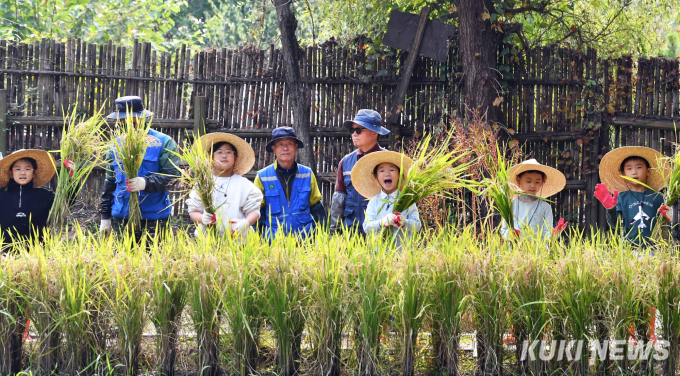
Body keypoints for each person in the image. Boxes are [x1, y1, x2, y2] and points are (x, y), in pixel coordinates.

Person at [99, 96, 180, 237]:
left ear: (142, 118)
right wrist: (105, 217)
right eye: (122, 119)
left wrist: (146, 182)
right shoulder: (115, 145)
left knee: (154, 259)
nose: (127, 123)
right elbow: (110, 182)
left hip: (154, 218)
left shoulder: (163, 142)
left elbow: (172, 177)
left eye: (132, 119)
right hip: (121, 217)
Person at [186, 133, 263, 238]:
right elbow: (193, 212)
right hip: (207, 242)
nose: (224, 156)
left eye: (228, 152)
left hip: (239, 241)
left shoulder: (245, 185)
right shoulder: (203, 184)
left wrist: (245, 223)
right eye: (219, 152)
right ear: (211, 157)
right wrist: (203, 219)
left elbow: (254, 212)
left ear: (235, 157)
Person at [254, 127, 326, 239]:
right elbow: (258, 213)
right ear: (273, 148)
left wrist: (323, 239)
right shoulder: (263, 176)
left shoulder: (307, 174)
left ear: (296, 147)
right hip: (273, 244)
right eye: (280, 144)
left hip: (306, 243)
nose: (285, 148)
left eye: (289, 143)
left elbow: (317, 209)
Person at [594, 146, 671, 245]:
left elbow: (664, 226)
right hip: (629, 248)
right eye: (629, 169)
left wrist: (667, 216)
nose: (634, 172)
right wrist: (611, 209)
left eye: (639, 167)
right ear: (623, 173)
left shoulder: (657, 197)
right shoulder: (622, 198)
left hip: (654, 248)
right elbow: (614, 225)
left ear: (648, 171)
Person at [330, 109, 390, 235]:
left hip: (381, 233)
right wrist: (334, 232)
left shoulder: (389, 161)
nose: (354, 134)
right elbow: (339, 201)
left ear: (374, 133)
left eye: (359, 130)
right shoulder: (345, 162)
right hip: (351, 233)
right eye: (352, 130)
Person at [350, 150, 421, 248]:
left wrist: (404, 222)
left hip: (403, 254)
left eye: (392, 170)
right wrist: (381, 222)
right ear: (376, 177)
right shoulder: (374, 201)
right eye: (382, 171)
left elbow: (417, 226)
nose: (387, 174)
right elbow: (367, 227)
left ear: (399, 175)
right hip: (379, 253)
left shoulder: (407, 200)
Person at [0, 149, 61, 248]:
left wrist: (71, 179)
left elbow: (66, 201)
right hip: (5, 255)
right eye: (18, 169)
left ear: (34, 173)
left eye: (28, 169)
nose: (23, 173)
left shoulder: (45, 196)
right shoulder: (2, 195)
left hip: (37, 254)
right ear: (11, 173)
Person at [500, 159, 568, 240]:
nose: (533, 185)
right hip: (515, 250)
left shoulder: (545, 207)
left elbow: (547, 232)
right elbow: (504, 230)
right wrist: (510, 234)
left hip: (537, 251)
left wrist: (555, 233)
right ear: (519, 181)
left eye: (537, 182)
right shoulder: (511, 205)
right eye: (528, 181)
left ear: (542, 183)